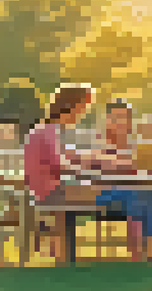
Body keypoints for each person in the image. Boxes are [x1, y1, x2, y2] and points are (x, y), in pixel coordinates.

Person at [93, 100, 152, 261]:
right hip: (105, 193)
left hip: (130, 190)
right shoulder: (101, 141)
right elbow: (106, 168)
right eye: (117, 118)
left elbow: (139, 168)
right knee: (143, 194)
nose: (121, 122)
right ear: (108, 119)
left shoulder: (133, 143)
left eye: (125, 118)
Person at [24, 83, 97, 262]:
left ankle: (66, 256)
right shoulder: (49, 131)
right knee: (119, 194)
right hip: (52, 193)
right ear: (71, 107)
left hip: (48, 190)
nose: (82, 114)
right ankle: (149, 251)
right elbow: (59, 164)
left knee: (117, 193)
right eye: (82, 109)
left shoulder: (46, 130)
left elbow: (61, 158)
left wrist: (83, 160)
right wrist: (84, 169)